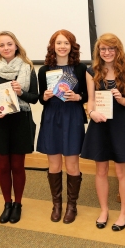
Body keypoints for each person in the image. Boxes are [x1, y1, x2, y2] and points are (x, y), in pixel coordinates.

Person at [0, 31, 38, 224]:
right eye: (1, 45)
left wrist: (21, 92)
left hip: (20, 121)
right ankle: (7, 203)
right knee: (3, 167)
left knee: (18, 166)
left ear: (16, 45)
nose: (6, 48)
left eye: (9, 44)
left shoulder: (27, 68)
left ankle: (18, 204)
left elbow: (34, 98)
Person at [81, 33, 125, 231]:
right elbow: (91, 100)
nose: (107, 52)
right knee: (100, 170)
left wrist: (122, 99)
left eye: (111, 48)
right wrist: (91, 112)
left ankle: (124, 213)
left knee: (122, 171)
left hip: (119, 123)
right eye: (103, 49)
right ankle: (104, 210)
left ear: (117, 50)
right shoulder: (91, 71)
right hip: (99, 124)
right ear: (98, 51)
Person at [37, 30, 87, 224]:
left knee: (73, 164)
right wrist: (45, 97)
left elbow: (88, 95)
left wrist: (78, 97)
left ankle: (71, 206)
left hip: (72, 116)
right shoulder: (44, 70)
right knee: (54, 164)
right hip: (52, 117)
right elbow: (41, 99)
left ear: (72, 45)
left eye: (66, 43)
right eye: (59, 43)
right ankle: (56, 204)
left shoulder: (81, 69)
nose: (62, 46)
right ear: (53, 46)